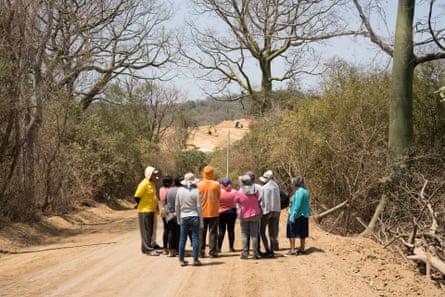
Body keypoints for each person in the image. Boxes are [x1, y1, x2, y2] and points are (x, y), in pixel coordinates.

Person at [175, 172, 203, 267]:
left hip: (183, 216)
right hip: (194, 216)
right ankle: (195, 260)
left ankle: (181, 260)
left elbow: (177, 206)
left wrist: (178, 218)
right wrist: (201, 220)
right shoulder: (196, 191)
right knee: (195, 238)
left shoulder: (179, 191)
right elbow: (199, 207)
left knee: (182, 239)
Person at [134, 166, 161, 256]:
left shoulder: (152, 183)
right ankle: (148, 249)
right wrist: (139, 204)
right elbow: (137, 196)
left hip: (151, 210)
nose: (155, 176)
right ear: (149, 174)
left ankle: (148, 247)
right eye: (154, 174)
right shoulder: (144, 183)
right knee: (146, 230)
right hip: (145, 210)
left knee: (150, 230)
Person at [235, 174, 262, 259]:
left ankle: (245, 253)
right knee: (254, 235)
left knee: (244, 234)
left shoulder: (239, 193)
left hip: (244, 215)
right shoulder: (255, 191)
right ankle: (255, 253)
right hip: (255, 214)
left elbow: (236, 201)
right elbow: (259, 200)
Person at [197, 165, 221, 258]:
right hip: (213, 212)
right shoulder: (216, 184)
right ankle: (212, 252)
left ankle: (201, 252)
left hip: (201, 212)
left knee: (201, 233)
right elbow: (219, 197)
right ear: (212, 173)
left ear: (203, 173)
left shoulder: (199, 185)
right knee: (213, 232)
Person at [259, 169, 281, 258]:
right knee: (273, 232)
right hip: (276, 211)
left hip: (266, 211)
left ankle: (267, 249)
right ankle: (272, 250)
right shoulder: (277, 186)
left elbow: (261, 201)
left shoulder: (264, 188)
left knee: (262, 231)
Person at [287, 176, 311, 255]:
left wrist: (293, 216)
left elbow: (297, 205)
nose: (292, 184)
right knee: (302, 232)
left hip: (297, 215)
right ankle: (302, 248)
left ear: (295, 184)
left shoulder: (299, 192)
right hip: (304, 215)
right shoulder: (306, 192)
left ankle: (292, 249)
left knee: (292, 231)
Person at [164, 176, 182, 257]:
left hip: (170, 215)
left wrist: (170, 213)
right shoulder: (182, 191)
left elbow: (165, 203)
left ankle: (171, 251)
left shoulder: (169, 191)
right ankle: (177, 250)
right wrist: (177, 213)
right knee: (178, 233)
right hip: (179, 215)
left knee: (171, 233)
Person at [218, 177, 237, 252]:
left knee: (221, 230)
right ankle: (231, 248)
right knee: (231, 230)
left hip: (221, 213)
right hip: (232, 212)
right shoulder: (234, 192)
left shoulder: (219, 192)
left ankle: (219, 248)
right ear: (230, 184)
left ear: (222, 184)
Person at [159, 176, 173, 255]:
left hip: (163, 211)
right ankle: (171, 248)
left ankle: (165, 248)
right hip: (170, 212)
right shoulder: (170, 190)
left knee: (166, 229)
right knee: (171, 230)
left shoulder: (161, 189)